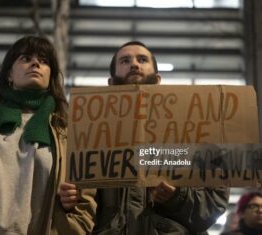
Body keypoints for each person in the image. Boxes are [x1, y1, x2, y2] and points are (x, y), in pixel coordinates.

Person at [0, 36, 96, 235]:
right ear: (9, 75)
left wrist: (73, 201)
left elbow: (87, 197)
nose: (36, 63)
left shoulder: (68, 133)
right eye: (25, 58)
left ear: (50, 77)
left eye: (44, 60)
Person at [92, 41, 230, 235]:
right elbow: (85, 202)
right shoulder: (93, 135)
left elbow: (214, 204)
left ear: (157, 79)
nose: (134, 65)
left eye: (142, 59)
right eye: (125, 60)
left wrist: (176, 196)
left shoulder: (195, 129)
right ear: (111, 83)